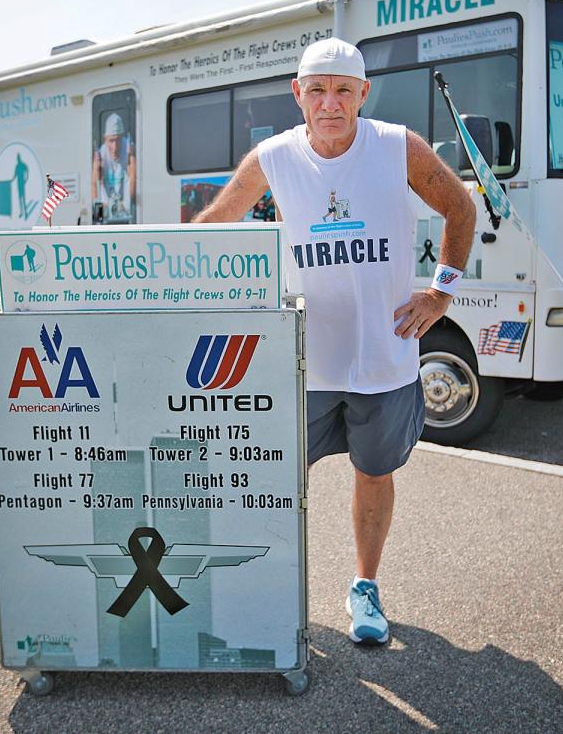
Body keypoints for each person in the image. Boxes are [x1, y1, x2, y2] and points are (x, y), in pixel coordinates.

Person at [193, 38, 476, 645]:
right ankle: (261, 587)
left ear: (362, 94)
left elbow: (460, 207)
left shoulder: (398, 146)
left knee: (372, 473)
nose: (330, 102)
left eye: (343, 89)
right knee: (270, 474)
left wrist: (440, 295)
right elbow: (213, 227)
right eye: (317, 89)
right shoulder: (273, 157)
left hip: (384, 359)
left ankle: (365, 588)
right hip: (304, 362)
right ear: (298, 94)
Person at [92, 112, 137, 222]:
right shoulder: (101, 153)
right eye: (111, 141)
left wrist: (132, 159)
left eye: (118, 140)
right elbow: (94, 187)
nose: (115, 147)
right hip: (107, 209)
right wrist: (96, 169)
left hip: (125, 210)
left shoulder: (128, 149)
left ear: (123, 137)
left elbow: (134, 184)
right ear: (105, 139)